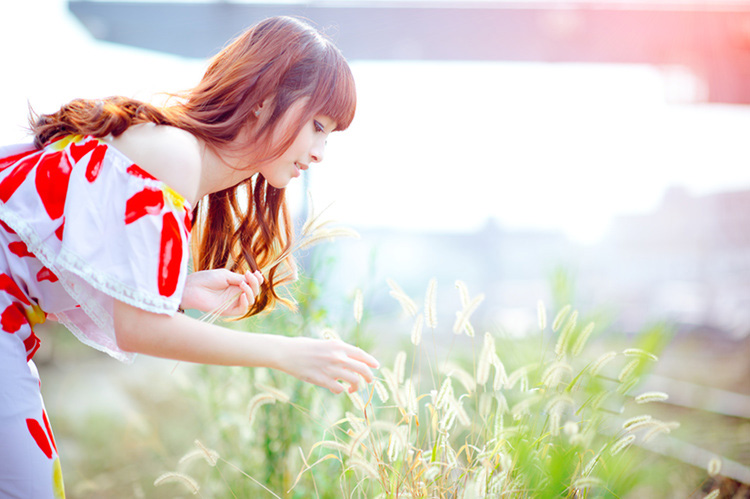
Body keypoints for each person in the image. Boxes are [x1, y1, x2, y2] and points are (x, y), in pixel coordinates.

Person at [0, 16, 379, 498]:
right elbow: (140, 328)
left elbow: (59, 253)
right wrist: (286, 355)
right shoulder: (175, 158)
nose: (321, 151)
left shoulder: (182, 165)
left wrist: (179, 288)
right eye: (318, 126)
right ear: (264, 99)